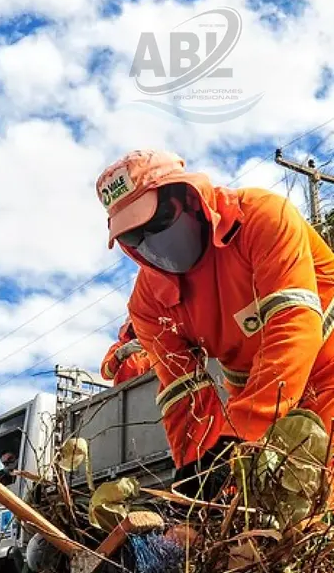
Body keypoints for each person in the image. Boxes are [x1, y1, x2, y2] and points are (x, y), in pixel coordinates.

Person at [95, 149, 334, 497]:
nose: (149, 242)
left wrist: (242, 432)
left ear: (188, 196)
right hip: (255, 405)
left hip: (327, 376)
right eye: (133, 237)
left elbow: (293, 323)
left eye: (156, 221)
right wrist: (198, 473)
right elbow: (182, 394)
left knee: (320, 505)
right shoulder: (147, 306)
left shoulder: (263, 218)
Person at [100, 317, 152, 385]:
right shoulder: (119, 346)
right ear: (128, 328)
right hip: (125, 391)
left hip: (151, 387)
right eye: (133, 326)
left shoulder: (152, 347)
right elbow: (105, 374)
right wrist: (120, 354)